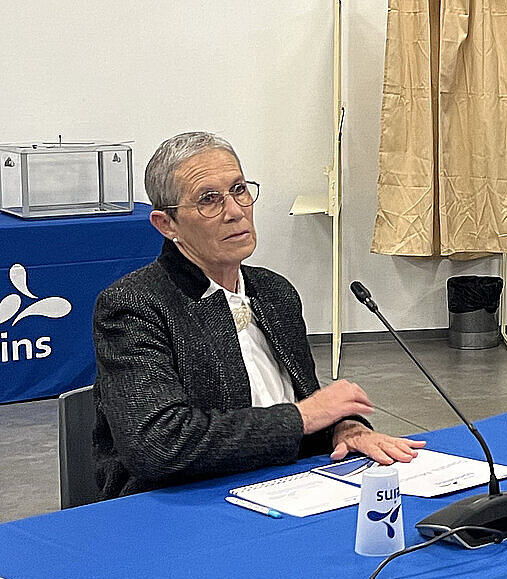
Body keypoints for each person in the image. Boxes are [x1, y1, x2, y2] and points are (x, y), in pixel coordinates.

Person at [92, 132, 423, 498]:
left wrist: (344, 428)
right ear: (166, 224)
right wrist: (305, 417)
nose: (235, 211)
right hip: (182, 501)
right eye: (208, 199)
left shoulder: (274, 292)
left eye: (239, 190)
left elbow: (305, 403)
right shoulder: (133, 305)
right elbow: (158, 444)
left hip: (287, 487)